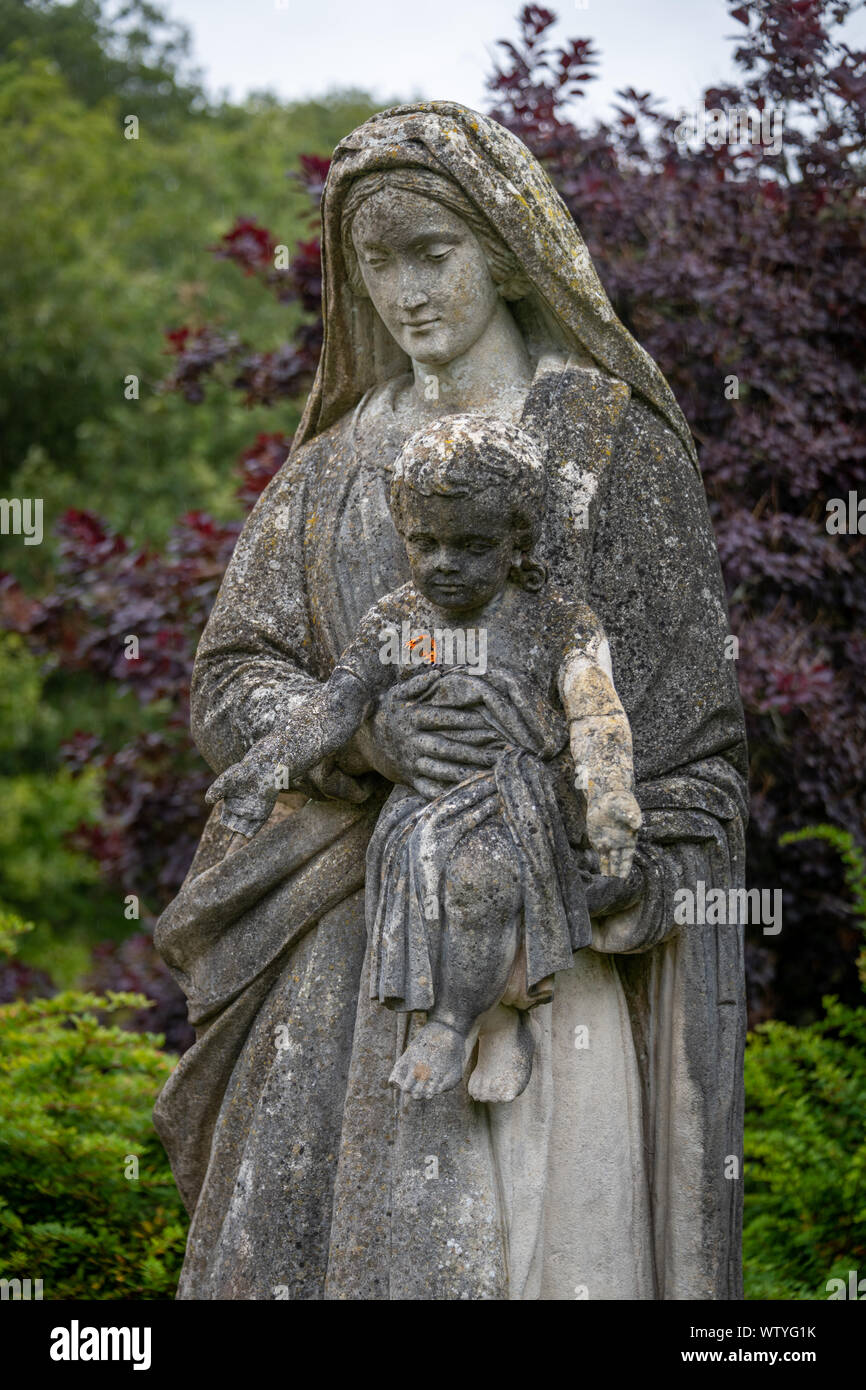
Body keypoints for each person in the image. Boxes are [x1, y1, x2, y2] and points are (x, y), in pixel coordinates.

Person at [154, 103, 748, 1301]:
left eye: (434, 252)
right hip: (339, 960)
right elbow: (231, 678)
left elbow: (692, 744)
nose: (405, 293)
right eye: (375, 264)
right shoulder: (327, 469)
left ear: (504, 249)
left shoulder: (605, 446)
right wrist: (364, 735)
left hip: (545, 957)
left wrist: (620, 849)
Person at [205, 414, 642, 1101]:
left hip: (521, 795)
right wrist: (272, 763)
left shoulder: (555, 620)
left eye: (470, 545)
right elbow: (338, 705)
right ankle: (499, 1007)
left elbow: (596, 707)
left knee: (483, 882)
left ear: (517, 543)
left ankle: (452, 1024)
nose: (443, 563)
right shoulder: (397, 622)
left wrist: (612, 791)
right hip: (427, 801)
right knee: (435, 879)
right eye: (425, 542)